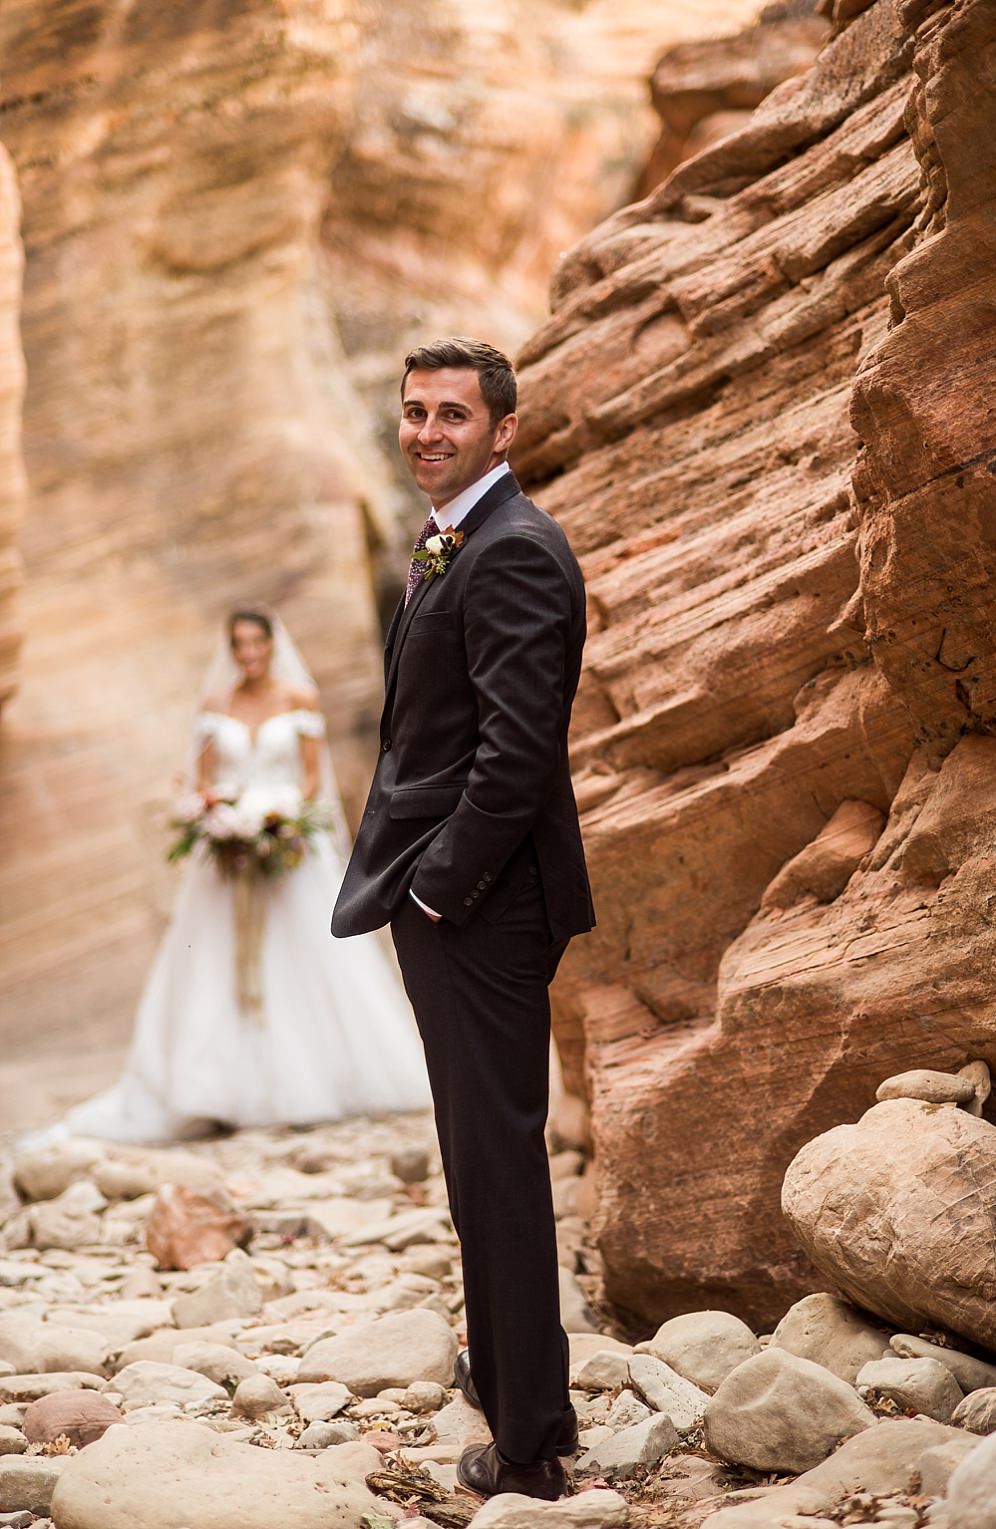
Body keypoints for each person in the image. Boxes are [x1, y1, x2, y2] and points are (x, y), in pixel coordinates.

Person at [333, 336, 595, 1502]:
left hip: (479, 903)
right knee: (477, 1155)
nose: (427, 431)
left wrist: (437, 886)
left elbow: (518, 751)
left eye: (452, 414)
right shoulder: (457, 541)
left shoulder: (517, 551)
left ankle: (530, 1444)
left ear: (505, 432)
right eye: (413, 412)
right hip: (454, 895)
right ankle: (508, 1375)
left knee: (493, 1161)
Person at [46, 610, 432, 1144]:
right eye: (239, 644)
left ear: (273, 645)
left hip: (289, 848)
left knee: (302, 956)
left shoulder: (299, 699)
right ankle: (219, 1089)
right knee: (216, 959)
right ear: (230, 649)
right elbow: (203, 782)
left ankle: (318, 1080)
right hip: (227, 853)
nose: (249, 652)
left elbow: (311, 779)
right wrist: (218, 818)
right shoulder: (215, 705)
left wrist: (283, 823)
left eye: (257, 642)